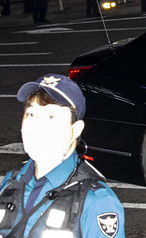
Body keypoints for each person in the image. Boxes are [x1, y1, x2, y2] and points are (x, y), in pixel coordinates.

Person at [0, 74, 124, 237]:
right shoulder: (11, 181)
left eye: (51, 116)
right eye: (31, 114)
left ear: (76, 130)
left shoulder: (96, 201)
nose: (36, 125)